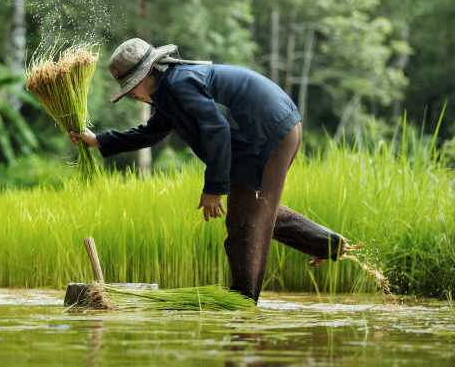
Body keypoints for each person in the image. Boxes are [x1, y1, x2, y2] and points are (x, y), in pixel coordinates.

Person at [70, 38, 354, 302]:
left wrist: (214, 189)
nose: (131, 95)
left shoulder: (179, 84)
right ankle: (326, 244)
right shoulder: (168, 94)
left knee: (244, 225)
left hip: (267, 131)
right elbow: (150, 134)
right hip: (266, 130)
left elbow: (217, 131)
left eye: (131, 88)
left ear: (146, 75)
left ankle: (243, 302)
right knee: (253, 208)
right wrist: (99, 140)